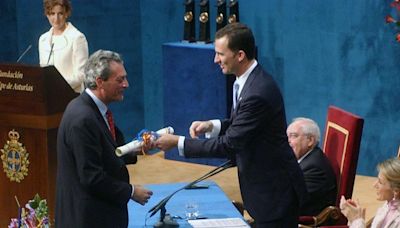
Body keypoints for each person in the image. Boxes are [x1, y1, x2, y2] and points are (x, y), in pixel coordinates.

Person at [155, 23, 307, 227]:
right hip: (265, 189)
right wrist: (212, 126)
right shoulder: (248, 82)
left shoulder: (257, 92)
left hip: (275, 193)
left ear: (240, 55)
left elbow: (230, 144)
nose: (215, 59)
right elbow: (242, 126)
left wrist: (178, 143)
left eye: (220, 54)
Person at [55, 50, 153, 227]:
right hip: (88, 219)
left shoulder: (94, 110)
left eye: (125, 78)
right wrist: (131, 192)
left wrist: (137, 148)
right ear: (100, 82)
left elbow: (109, 150)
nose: (126, 84)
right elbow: (91, 177)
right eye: (120, 80)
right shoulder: (82, 119)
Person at [287, 117, 337, 216]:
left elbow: (289, 200)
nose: (288, 141)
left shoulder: (315, 168)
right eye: (287, 137)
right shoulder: (304, 158)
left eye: (294, 136)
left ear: (310, 140)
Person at [38, 0, 88, 93]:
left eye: (60, 13)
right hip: (48, 97)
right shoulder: (43, 39)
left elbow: (82, 74)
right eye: (52, 13)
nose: (56, 18)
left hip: (70, 97)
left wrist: (58, 86)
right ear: (47, 15)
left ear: (66, 14)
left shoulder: (77, 37)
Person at [340, 157, 400, 228]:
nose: (374, 185)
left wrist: (357, 221)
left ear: (396, 191)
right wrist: (356, 216)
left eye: (380, 182)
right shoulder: (388, 205)